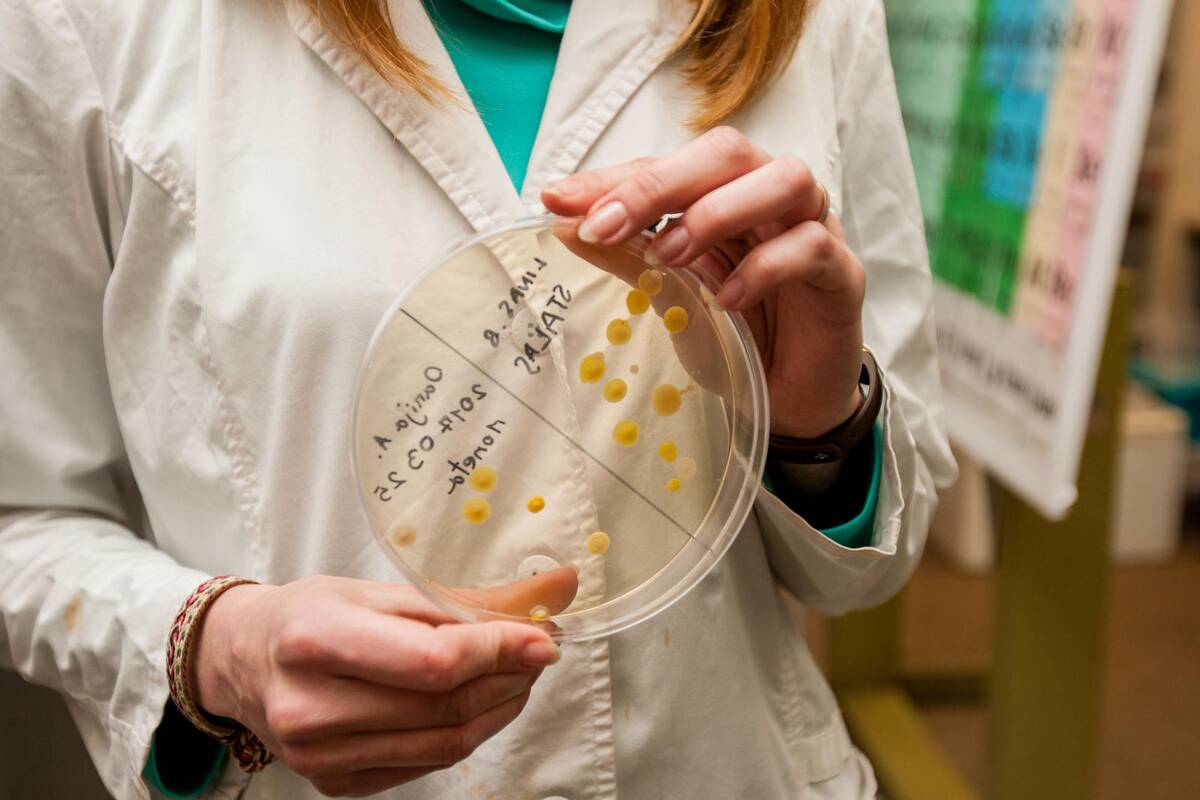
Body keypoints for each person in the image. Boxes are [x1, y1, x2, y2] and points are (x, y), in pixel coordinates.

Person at [0, 0, 956, 797]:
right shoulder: (88, 22)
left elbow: (875, 567)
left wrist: (820, 431)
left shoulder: (818, 16)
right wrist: (218, 650)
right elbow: (22, 513)